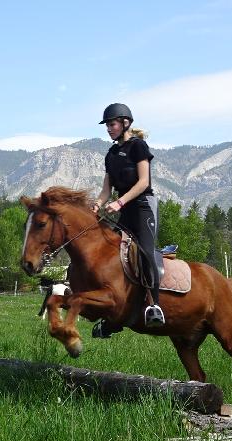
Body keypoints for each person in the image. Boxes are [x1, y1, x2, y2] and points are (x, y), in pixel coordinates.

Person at [90, 103, 164, 338]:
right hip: (124, 210)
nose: (108, 129)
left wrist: (120, 202)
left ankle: (154, 305)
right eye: (107, 126)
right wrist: (96, 205)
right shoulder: (111, 154)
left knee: (145, 251)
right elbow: (105, 190)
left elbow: (143, 182)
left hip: (142, 207)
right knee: (105, 251)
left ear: (125, 123)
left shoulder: (138, 147)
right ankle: (113, 311)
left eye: (111, 124)